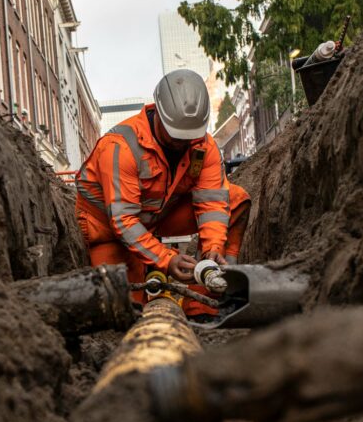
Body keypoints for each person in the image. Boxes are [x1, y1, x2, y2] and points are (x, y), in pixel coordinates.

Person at [75, 69, 251, 315]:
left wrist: (213, 248)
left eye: (189, 137)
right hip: (107, 229)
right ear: (157, 112)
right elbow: (123, 220)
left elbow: (212, 202)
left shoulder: (202, 145)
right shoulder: (119, 148)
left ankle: (206, 303)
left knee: (235, 199)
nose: (182, 143)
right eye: (176, 136)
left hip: (157, 216)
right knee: (125, 308)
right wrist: (166, 260)